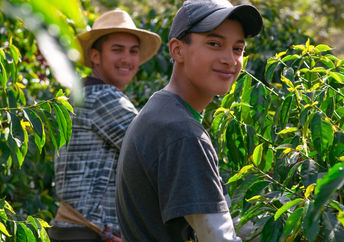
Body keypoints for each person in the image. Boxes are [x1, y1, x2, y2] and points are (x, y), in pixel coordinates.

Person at [115, 0, 263, 241]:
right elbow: (219, 238)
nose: (230, 59)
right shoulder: (180, 132)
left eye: (238, 49)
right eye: (214, 44)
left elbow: (226, 217)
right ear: (177, 50)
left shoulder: (162, 109)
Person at [49, 9, 161, 241]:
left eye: (133, 51)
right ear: (95, 56)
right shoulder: (103, 96)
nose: (127, 59)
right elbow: (156, 153)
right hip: (89, 233)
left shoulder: (79, 96)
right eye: (117, 50)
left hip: (73, 229)